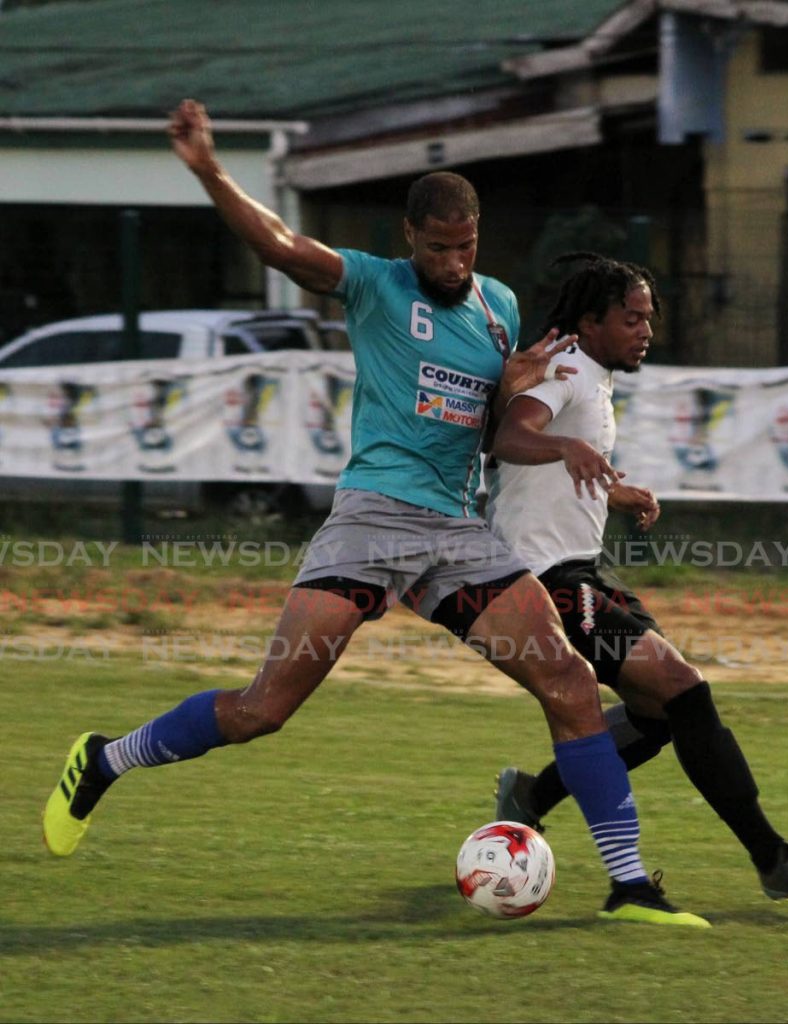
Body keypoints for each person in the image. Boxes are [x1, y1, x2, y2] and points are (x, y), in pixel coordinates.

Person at [42, 100, 710, 929]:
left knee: (570, 682)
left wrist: (532, 412)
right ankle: (104, 760)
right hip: (372, 520)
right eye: (438, 248)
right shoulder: (372, 282)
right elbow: (281, 247)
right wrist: (211, 170)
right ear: (409, 238)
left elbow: (504, 430)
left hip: (457, 535)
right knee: (263, 711)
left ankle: (630, 885)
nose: (453, 261)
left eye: (465, 246)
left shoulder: (498, 307)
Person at [485, 252, 788, 900]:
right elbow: (513, 437)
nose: (644, 330)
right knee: (684, 689)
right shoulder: (568, 370)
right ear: (591, 320)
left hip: (577, 571)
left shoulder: (592, 378)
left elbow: (548, 471)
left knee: (657, 713)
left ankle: (532, 792)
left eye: (647, 318)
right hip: (543, 580)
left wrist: (612, 490)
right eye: (631, 317)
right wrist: (572, 449)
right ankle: (773, 857)